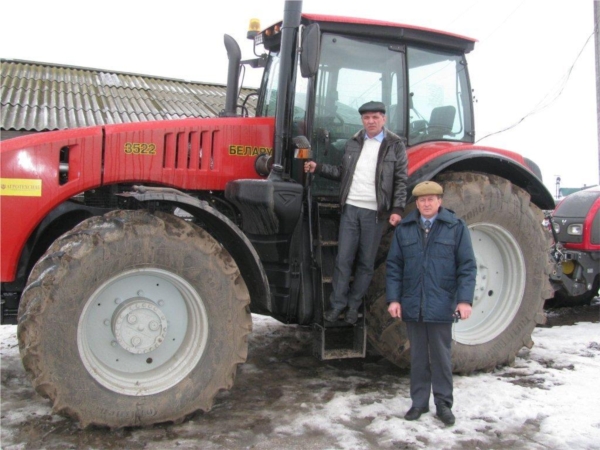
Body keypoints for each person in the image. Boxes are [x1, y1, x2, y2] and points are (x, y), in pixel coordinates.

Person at [304, 101, 408, 324]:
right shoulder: (354, 142)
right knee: (343, 259)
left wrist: (397, 208)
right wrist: (318, 167)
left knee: (365, 263)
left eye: (375, 117)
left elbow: (400, 179)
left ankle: (353, 307)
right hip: (350, 208)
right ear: (362, 120)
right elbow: (344, 172)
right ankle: (337, 305)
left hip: (374, 212)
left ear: (383, 119)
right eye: (367, 118)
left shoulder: (395, 145)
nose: (371, 121)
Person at [386, 181, 476, 426]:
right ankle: (419, 403)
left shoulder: (455, 227)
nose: (426, 204)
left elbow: (466, 267)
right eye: (422, 200)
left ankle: (444, 404)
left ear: (440, 201)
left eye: (431, 199)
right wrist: (394, 299)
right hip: (413, 304)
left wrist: (464, 300)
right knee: (417, 357)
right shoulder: (404, 229)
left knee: (440, 356)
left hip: (441, 303)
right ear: (417, 203)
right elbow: (394, 267)